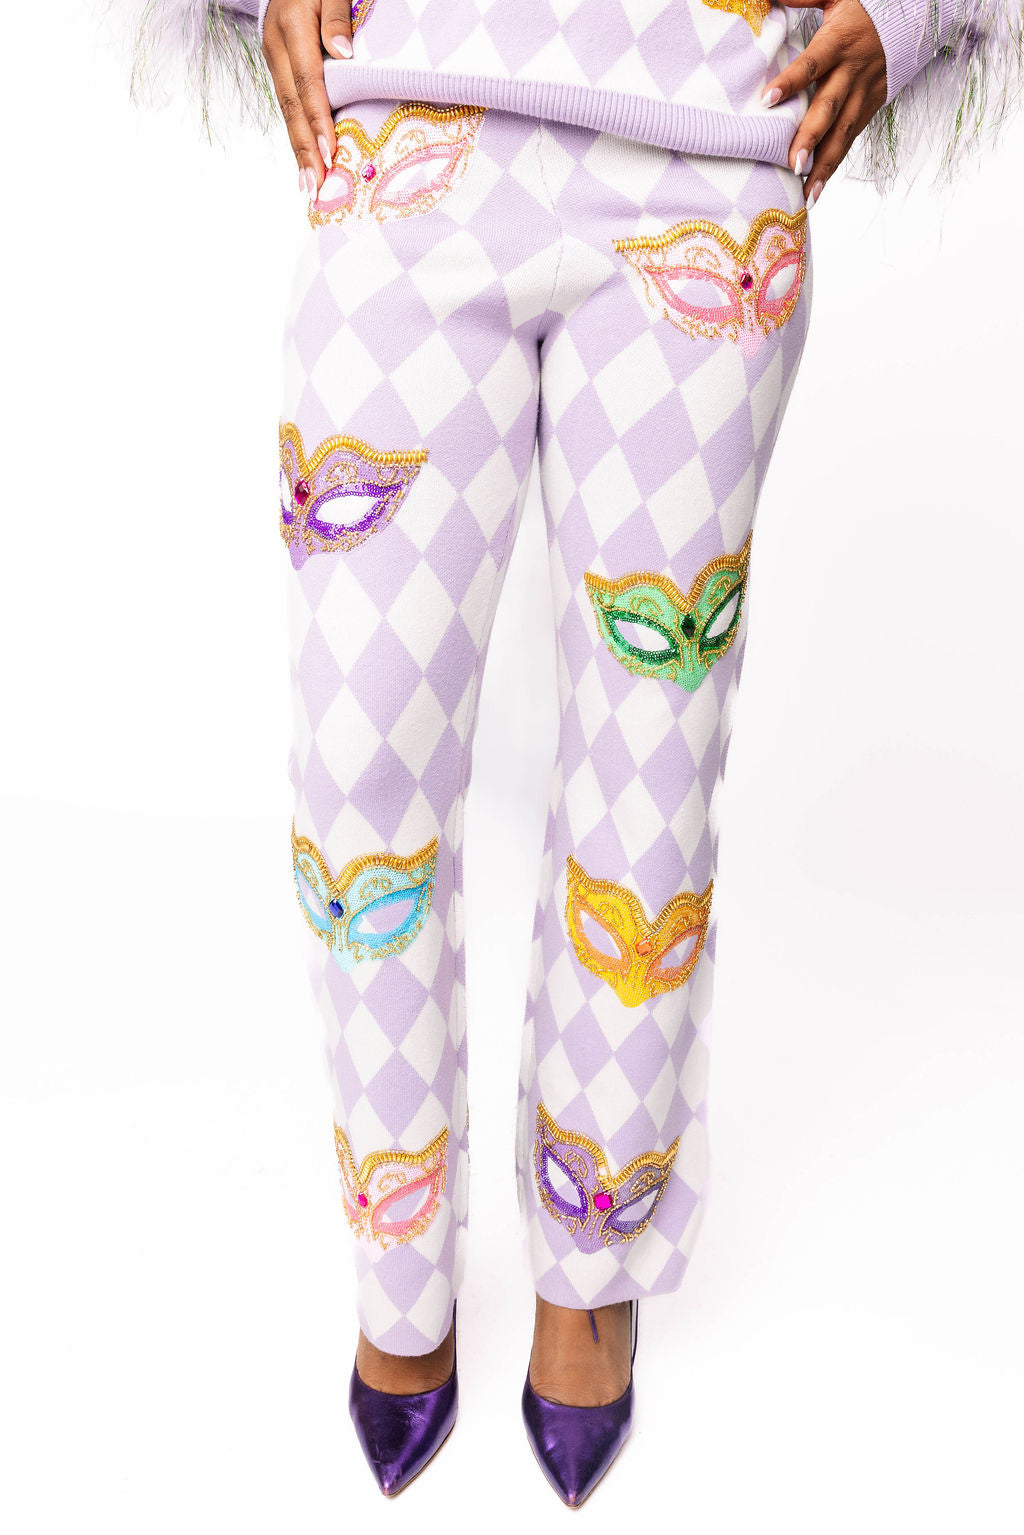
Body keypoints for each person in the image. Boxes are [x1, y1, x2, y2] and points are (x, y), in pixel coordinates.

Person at [128, 0, 1023, 1507]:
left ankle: (589, 1258)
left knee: (649, 763)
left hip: (709, 159)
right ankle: (398, 1251)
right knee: (358, 758)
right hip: (406, 126)